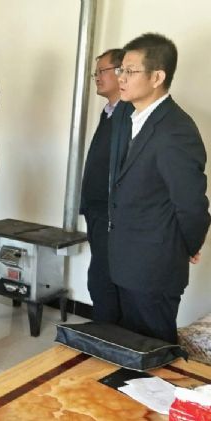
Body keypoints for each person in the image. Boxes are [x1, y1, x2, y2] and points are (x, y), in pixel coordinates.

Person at [108, 33, 210, 343]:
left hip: (154, 268)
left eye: (130, 71)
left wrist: (188, 246)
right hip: (128, 261)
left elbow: (192, 205)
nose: (121, 78)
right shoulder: (132, 117)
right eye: (121, 70)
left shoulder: (175, 130)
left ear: (157, 77)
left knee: (152, 352)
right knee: (129, 349)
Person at [80, 48, 126, 323]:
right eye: (95, 73)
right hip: (96, 211)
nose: (96, 77)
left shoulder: (129, 115)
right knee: (99, 278)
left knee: (103, 280)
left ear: (121, 72)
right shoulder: (109, 112)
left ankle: (106, 336)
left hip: (111, 215)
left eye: (101, 71)